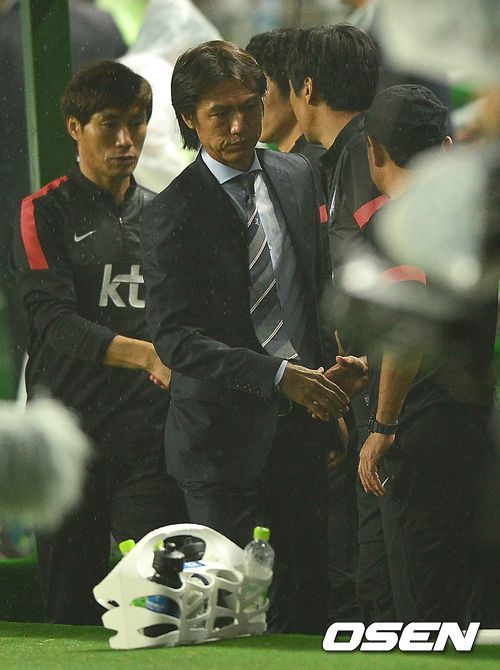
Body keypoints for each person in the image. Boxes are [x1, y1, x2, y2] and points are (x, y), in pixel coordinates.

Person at [141, 40, 350, 634]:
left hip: (301, 430)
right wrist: (279, 376)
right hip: (217, 441)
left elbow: (313, 291)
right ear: (189, 118)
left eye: (249, 107)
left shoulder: (298, 174)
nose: (238, 126)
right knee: (225, 617)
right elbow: (175, 340)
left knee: (308, 607)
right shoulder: (169, 212)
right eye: (220, 113)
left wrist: (332, 382)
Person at [11, 60, 187, 625]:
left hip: (147, 435)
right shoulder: (42, 211)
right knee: (70, 610)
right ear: (74, 127)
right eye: (109, 124)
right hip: (66, 436)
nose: (126, 139)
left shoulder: (163, 214)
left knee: (162, 605)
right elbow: (52, 321)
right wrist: (145, 354)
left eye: (137, 122)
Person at [354, 84, 496, 625]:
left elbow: (406, 334)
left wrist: (383, 425)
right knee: (475, 606)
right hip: (477, 424)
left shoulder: (399, 223)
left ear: (373, 151)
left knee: (425, 610)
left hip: (420, 432)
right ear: (446, 146)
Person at [287, 23, 379, 622]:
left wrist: (373, 402)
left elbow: (386, 284)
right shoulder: (351, 155)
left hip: (389, 395)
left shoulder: (364, 157)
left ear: (306, 88)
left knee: (386, 577)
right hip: (378, 387)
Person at [0, 0, 127, 382]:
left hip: (23, 217)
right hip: (107, 208)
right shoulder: (103, 25)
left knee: (42, 340)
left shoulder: (8, 35)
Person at [245, 28, 325, 187]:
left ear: (293, 85)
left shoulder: (311, 166)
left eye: (261, 88)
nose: (251, 103)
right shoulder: (291, 166)